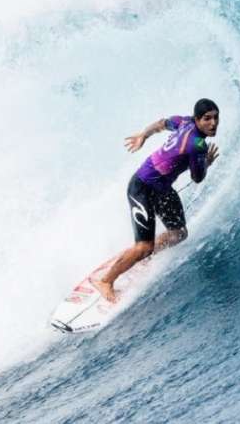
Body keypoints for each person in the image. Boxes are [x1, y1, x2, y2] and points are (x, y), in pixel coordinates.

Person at [92, 98, 221, 302]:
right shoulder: (197, 145)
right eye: (207, 119)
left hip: (161, 189)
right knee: (144, 246)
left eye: (215, 118)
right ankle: (105, 281)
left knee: (178, 233)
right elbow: (197, 178)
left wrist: (144, 134)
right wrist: (206, 163)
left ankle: (142, 255)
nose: (213, 123)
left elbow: (161, 123)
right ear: (197, 119)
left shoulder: (184, 121)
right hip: (142, 187)